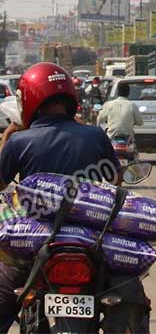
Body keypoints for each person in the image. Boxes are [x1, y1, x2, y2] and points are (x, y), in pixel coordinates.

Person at [0, 63, 123, 332]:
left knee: (4, 291)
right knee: (128, 288)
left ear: (29, 100)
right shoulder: (95, 135)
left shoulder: (18, 142)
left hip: (33, 240)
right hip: (91, 237)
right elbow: (115, 181)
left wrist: (8, 135)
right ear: (70, 99)